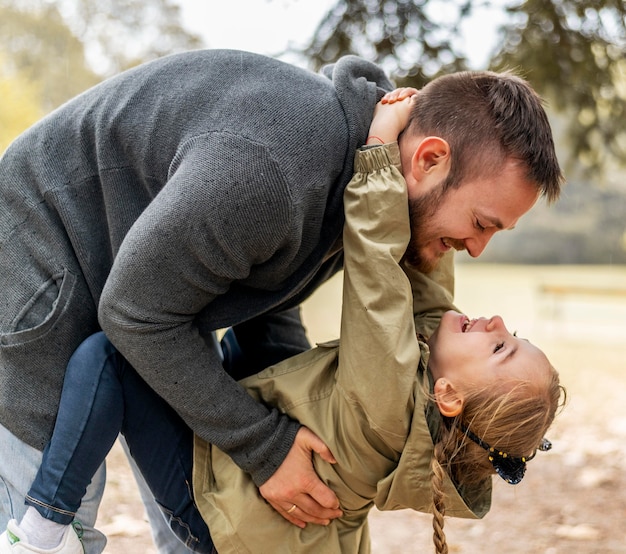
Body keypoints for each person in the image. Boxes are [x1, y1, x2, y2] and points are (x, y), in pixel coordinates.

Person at [0, 48, 563, 553]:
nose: (477, 249)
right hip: (42, 267)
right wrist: (265, 446)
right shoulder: (273, 170)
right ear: (428, 160)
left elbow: (264, 289)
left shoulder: (366, 192)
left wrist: (289, 435)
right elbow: (133, 313)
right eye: (481, 223)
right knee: (58, 533)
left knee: (191, 517)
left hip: (154, 296)